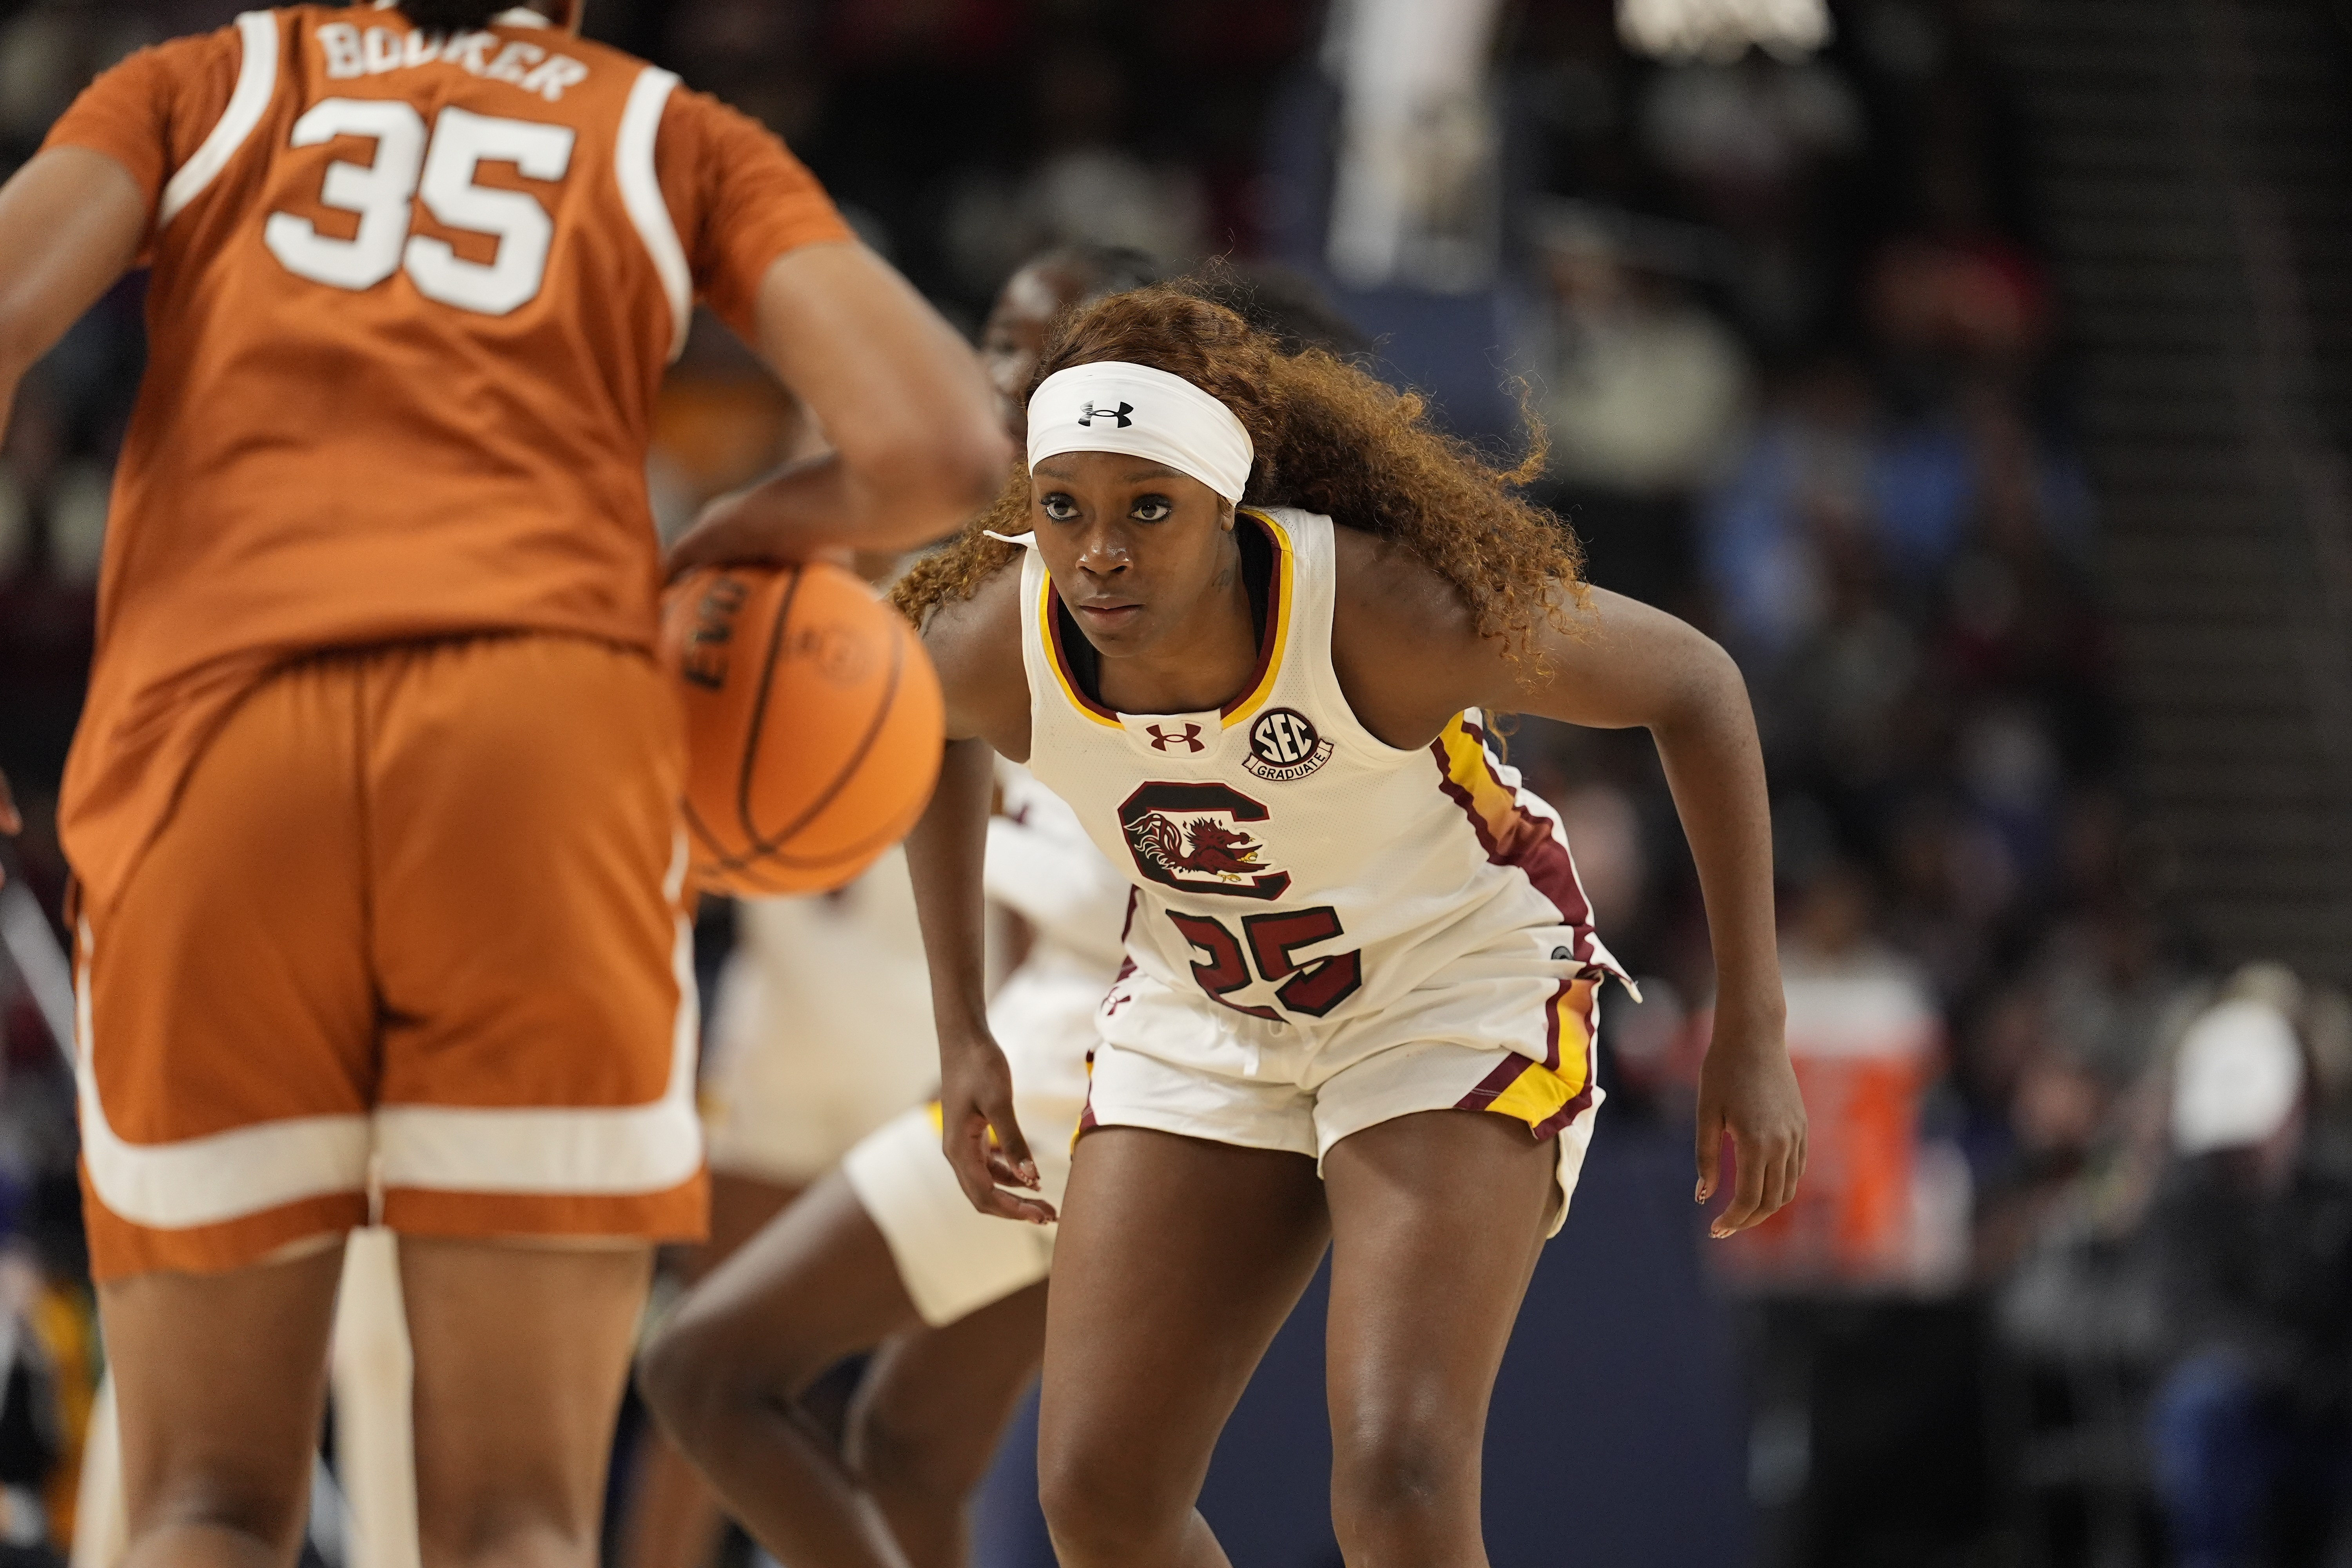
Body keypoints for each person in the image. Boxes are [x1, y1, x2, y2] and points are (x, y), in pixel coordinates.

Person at [0, 1, 1005, 1565]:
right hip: (538, 757)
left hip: (217, 752)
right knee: (517, 1516)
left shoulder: (205, 83)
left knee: (203, 1497)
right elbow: (945, 447)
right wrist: (754, 525)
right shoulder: (666, 130)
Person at [881, 285, 1802, 1566]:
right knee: (1098, 1495)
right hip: (1211, 1004)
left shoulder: (1384, 615)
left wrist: (1752, 1028)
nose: (1100, 553)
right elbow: (923, 735)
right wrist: (959, 1024)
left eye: (1149, 508)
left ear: (1227, 505)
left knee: (1398, 1479)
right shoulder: (996, 634)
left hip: (1446, 990)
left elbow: (1695, 686)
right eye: (1063, 508)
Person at [630, 245, 1160, 1568]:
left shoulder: (1116, 571)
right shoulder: (890, 544)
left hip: (1059, 1048)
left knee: (755, 1387)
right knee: (858, 1431)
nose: (993, 378)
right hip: (870, 1015)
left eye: (1029, 350)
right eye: (988, 341)